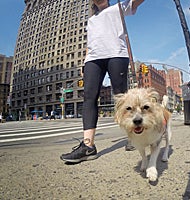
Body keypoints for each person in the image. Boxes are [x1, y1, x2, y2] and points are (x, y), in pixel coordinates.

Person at [60, 0, 144, 163]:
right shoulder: (91, 20)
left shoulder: (119, 7)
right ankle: (88, 146)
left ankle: (134, 136)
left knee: (122, 98)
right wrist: (85, 62)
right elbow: (91, 42)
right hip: (93, 59)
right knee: (89, 97)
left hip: (116, 55)